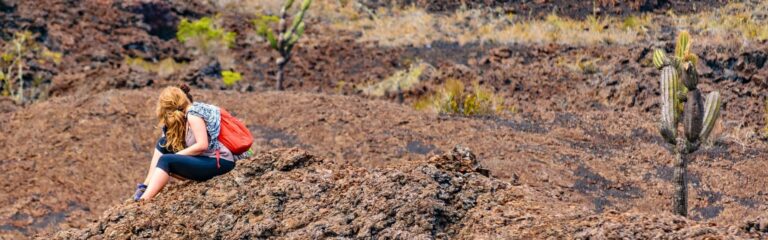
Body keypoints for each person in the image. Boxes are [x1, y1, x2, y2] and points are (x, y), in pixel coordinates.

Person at [133, 85, 236, 200]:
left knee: (166, 160)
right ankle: (145, 186)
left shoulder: (193, 114)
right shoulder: (184, 117)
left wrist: (174, 157)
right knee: (163, 143)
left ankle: (144, 199)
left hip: (220, 162)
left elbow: (202, 145)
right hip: (208, 160)